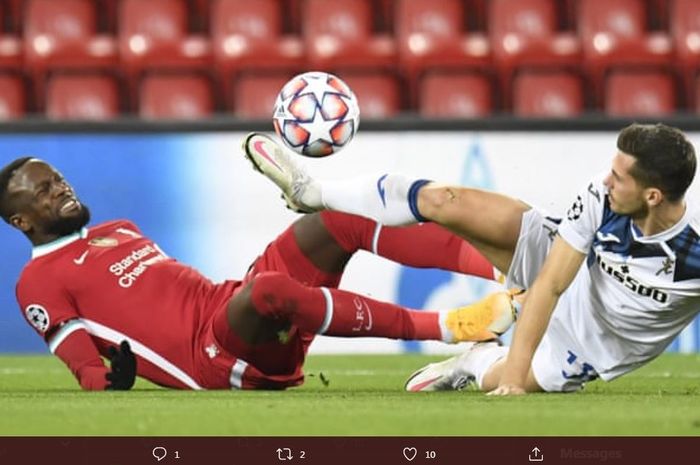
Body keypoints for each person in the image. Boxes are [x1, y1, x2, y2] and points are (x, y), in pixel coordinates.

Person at [242, 123, 700, 395]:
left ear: (653, 195)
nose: (606, 180)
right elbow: (552, 284)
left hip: (590, 345)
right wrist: (516, 381)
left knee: (495, 377)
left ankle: (472, 361)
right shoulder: (604, 197)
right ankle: (314, 193)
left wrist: (512, 378)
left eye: (620, 177)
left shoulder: (692, 263)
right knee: (444, 200)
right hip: (564, 274)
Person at [0, 156, 518, 391]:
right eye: (44, 191)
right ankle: (454, 327)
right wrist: (107, 379)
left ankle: (507, 268)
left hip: (231, 307)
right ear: (21, 221)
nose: (62, 190)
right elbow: (85, 369)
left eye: (59, 180)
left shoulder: (118, 227)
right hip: (215, 357)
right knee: (270, 290)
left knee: (336, 220)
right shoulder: (38, 282)